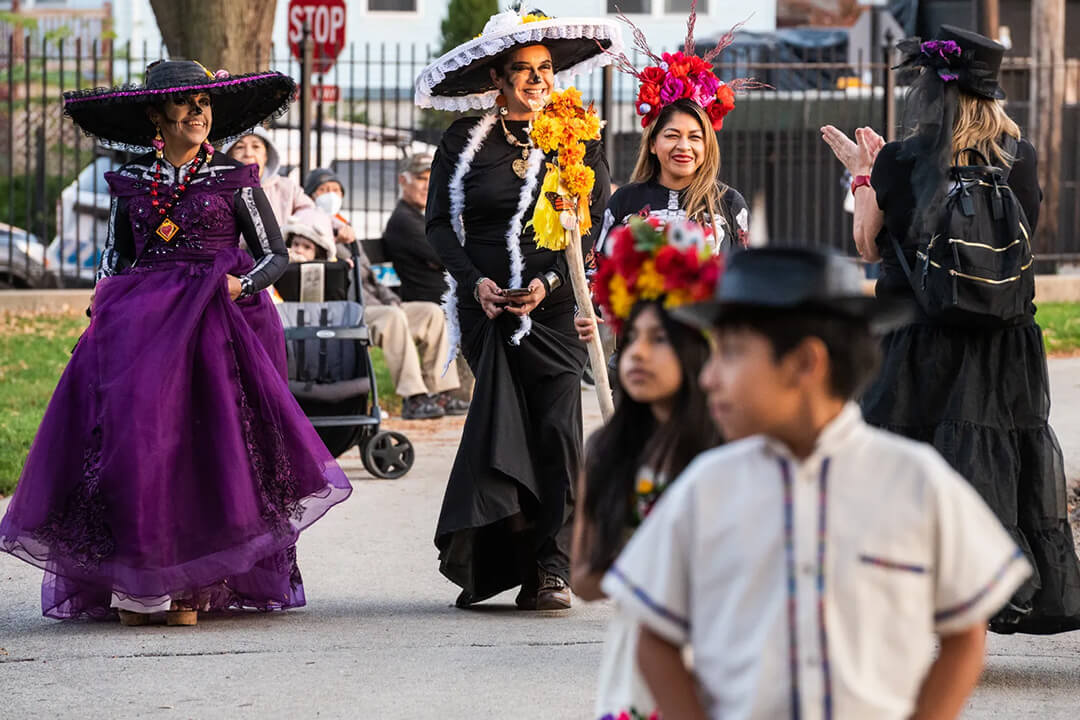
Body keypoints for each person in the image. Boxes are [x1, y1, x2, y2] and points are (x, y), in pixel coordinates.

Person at [604, 248, 1032, 720]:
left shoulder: (915, 482)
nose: (707, 377)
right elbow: (653, 637)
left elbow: (965, 632)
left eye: (729, 353)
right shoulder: (706, 488)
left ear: (805, 363)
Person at [0, 60, 352, 626]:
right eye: (186, 103)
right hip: (139, 323)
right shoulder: (131, 182)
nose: (198, 113)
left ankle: (195, 582)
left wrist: (243, 283)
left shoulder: (233, 178)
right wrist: (99, 311)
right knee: (138, 440)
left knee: (206, 445)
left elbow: (275, 254)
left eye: (205, 104)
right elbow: (116, 257)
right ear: (155, 115)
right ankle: (137, 579)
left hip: (214, 323)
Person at [821, 25, 1080, 634]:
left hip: (919, 337)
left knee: (911, 468)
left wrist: (864, 175)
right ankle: (994, 590)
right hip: (1003, 342)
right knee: (993, 463)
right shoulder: (1021, 157)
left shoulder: (902, 158)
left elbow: (866, 243)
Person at [416, 8, 621, 610]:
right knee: (506, 428)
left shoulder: (579, 137)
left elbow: (592, 227)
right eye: (522, 70)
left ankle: (552, 569)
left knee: (557, 431)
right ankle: (503, 559)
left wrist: (550, 281)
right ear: (497, 80)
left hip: (554, 309)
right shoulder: (464, 139)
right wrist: (476, 282)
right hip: (487, 309)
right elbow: (438, 226)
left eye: (545, 69)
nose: (536, 79)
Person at [571, 218, 721, 720]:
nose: (636, 354)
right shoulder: (607, 452)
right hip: (637, 660)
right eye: (631, 338)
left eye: (658, 340)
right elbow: (585, 582)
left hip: (725, 653)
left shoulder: (730, 451)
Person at [594, 10, 752, 259]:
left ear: (708, 146)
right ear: (653, 144)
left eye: (695, 137)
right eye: (672, 135)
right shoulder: (624, 201)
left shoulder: (730, 203)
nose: (684, 146)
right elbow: (597, 274)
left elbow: (744, 280)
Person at [353, 236, 467, 420]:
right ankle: (413, 398)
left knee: (431, 313)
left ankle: (437, 392)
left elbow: (372, 279)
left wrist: (390, 299)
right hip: (355, 309)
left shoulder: (348, 237)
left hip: (381, 304)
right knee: (393, 317)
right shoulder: (317, 238)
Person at [382, 153, 447, 304]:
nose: (427, 186)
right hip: (431, 305)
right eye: (421, 179)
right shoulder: (404, 220)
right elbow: (448, 255)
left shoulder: (421, 217)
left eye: (432, 179)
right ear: (403, 181)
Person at [226, 126, 314, 230]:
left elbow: (311, 213)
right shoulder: (219, 193)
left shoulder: (287, 188)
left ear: (266, 155)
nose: (248, 154)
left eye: (256, 146)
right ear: (229, 156)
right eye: (239, 147)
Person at [304, 168, 356, 250]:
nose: (331, 194)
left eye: (335, 190)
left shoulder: (342, 221)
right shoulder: (307, 223)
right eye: (323, 190)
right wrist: (336, 241)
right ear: (311, 196)